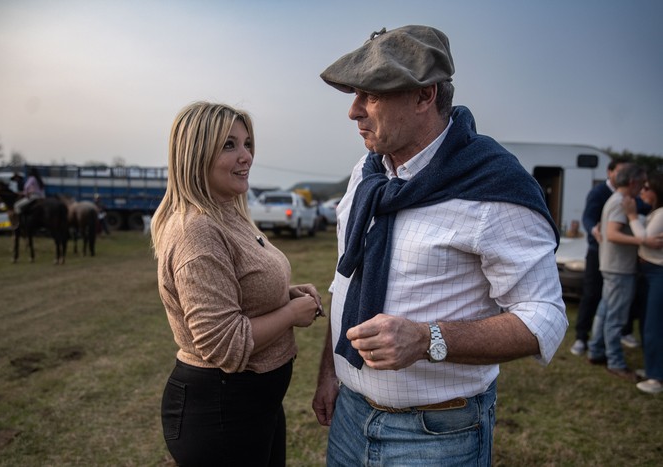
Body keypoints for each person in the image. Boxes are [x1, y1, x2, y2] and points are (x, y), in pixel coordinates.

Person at [312, 25, 567, 466]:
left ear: (424, 95)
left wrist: (428, 338)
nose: (354, 111)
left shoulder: (493, 186)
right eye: (355, 94)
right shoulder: (367, 174)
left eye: (370, 94)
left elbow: (544, 318)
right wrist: (328, 374)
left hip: (437, 437)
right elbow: (347, 278)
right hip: (350, 418)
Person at [151, 101, 323, 466]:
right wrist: (292, 313)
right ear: (195, 154)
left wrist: (285, 295)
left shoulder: (229, 212)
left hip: (254, 407)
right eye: (229, 145)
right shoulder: (196, 231)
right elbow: (223, 343)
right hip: (221, 414)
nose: (246, 156)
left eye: (247, 144)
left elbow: (240, 289)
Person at [586, 165, 660, 380]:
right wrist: (643, 240)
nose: (644, 187)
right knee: (616, 317)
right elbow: (612, 234)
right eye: (642, 182)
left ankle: (596, 350)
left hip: (612, 265)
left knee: (606, 311)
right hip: (619, 268)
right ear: (633, 182)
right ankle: (615, 362)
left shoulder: (617, 200)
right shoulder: (622, 203)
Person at [570, 160, 631, 356]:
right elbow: (588, 217)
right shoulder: (599, 193)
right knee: (592, 294)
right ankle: (581, 337)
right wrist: (593, 229)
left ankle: (622, 333)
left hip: (617, 254)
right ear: (610, 172)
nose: (624, 175)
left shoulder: (629, 195)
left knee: (613, 299)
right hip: (597, 250)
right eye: (621, 171)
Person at [623, 172, 663, 394]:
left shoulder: (660, 213)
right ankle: (652, 369)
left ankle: (656, 377)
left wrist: (631, 216)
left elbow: (645, 237)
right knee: (647, 322)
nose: (643, 191)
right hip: (650, 271)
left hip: (657, 272)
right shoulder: (655, 212)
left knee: (653, 326)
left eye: (647, 187)